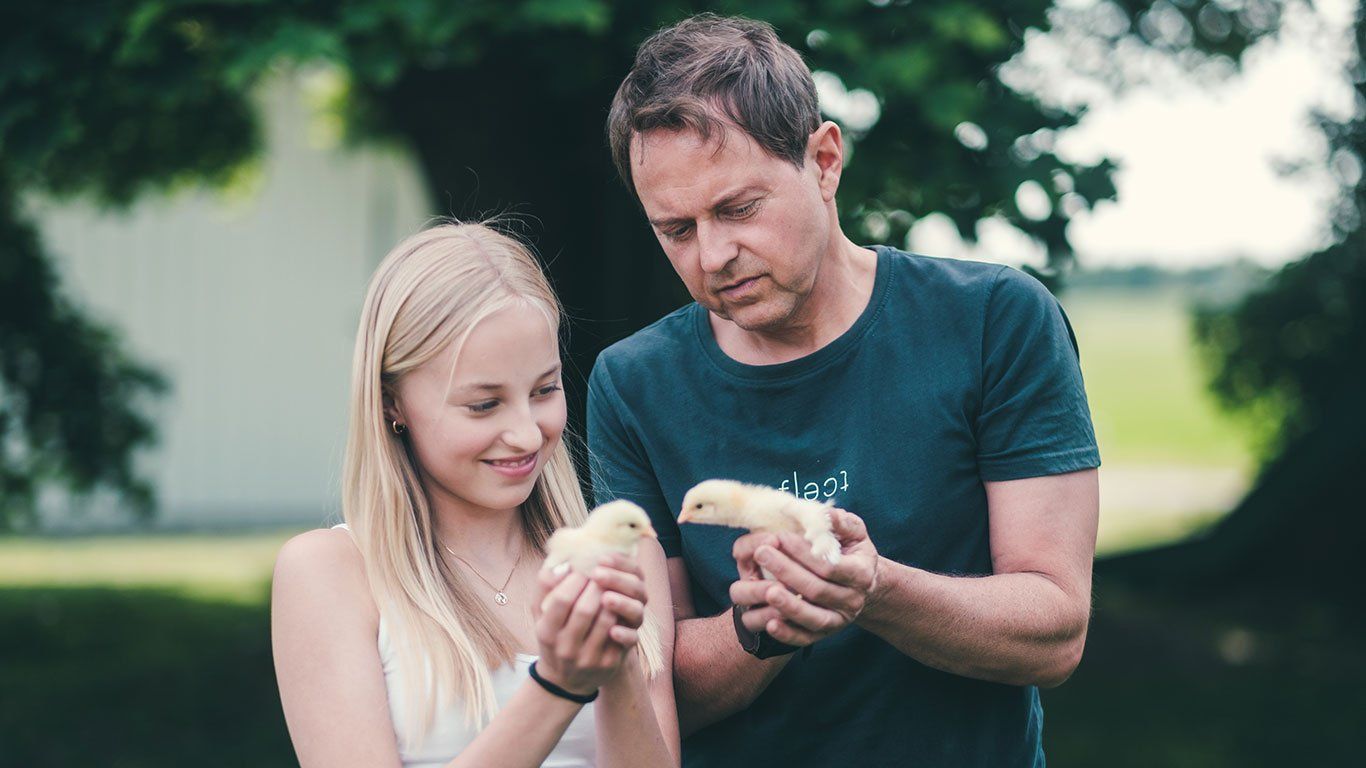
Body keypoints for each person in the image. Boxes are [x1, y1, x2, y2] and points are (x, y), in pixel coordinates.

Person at [588, 14, 1100, 767]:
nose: (715, 254)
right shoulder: (631, 384)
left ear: (824, 161)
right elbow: (647, 691)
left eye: (738, 208)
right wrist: (759, 626)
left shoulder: (994, 320)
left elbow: (1056, 630)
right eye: (676, 230)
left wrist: (871, 588)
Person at [271, 223, 679, 768]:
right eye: (484, 405)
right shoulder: (330, 573)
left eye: (544, 390)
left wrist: (620, 667)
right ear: (393, 403)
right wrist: (558, 686)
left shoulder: (626, 558)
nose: (528, 435)